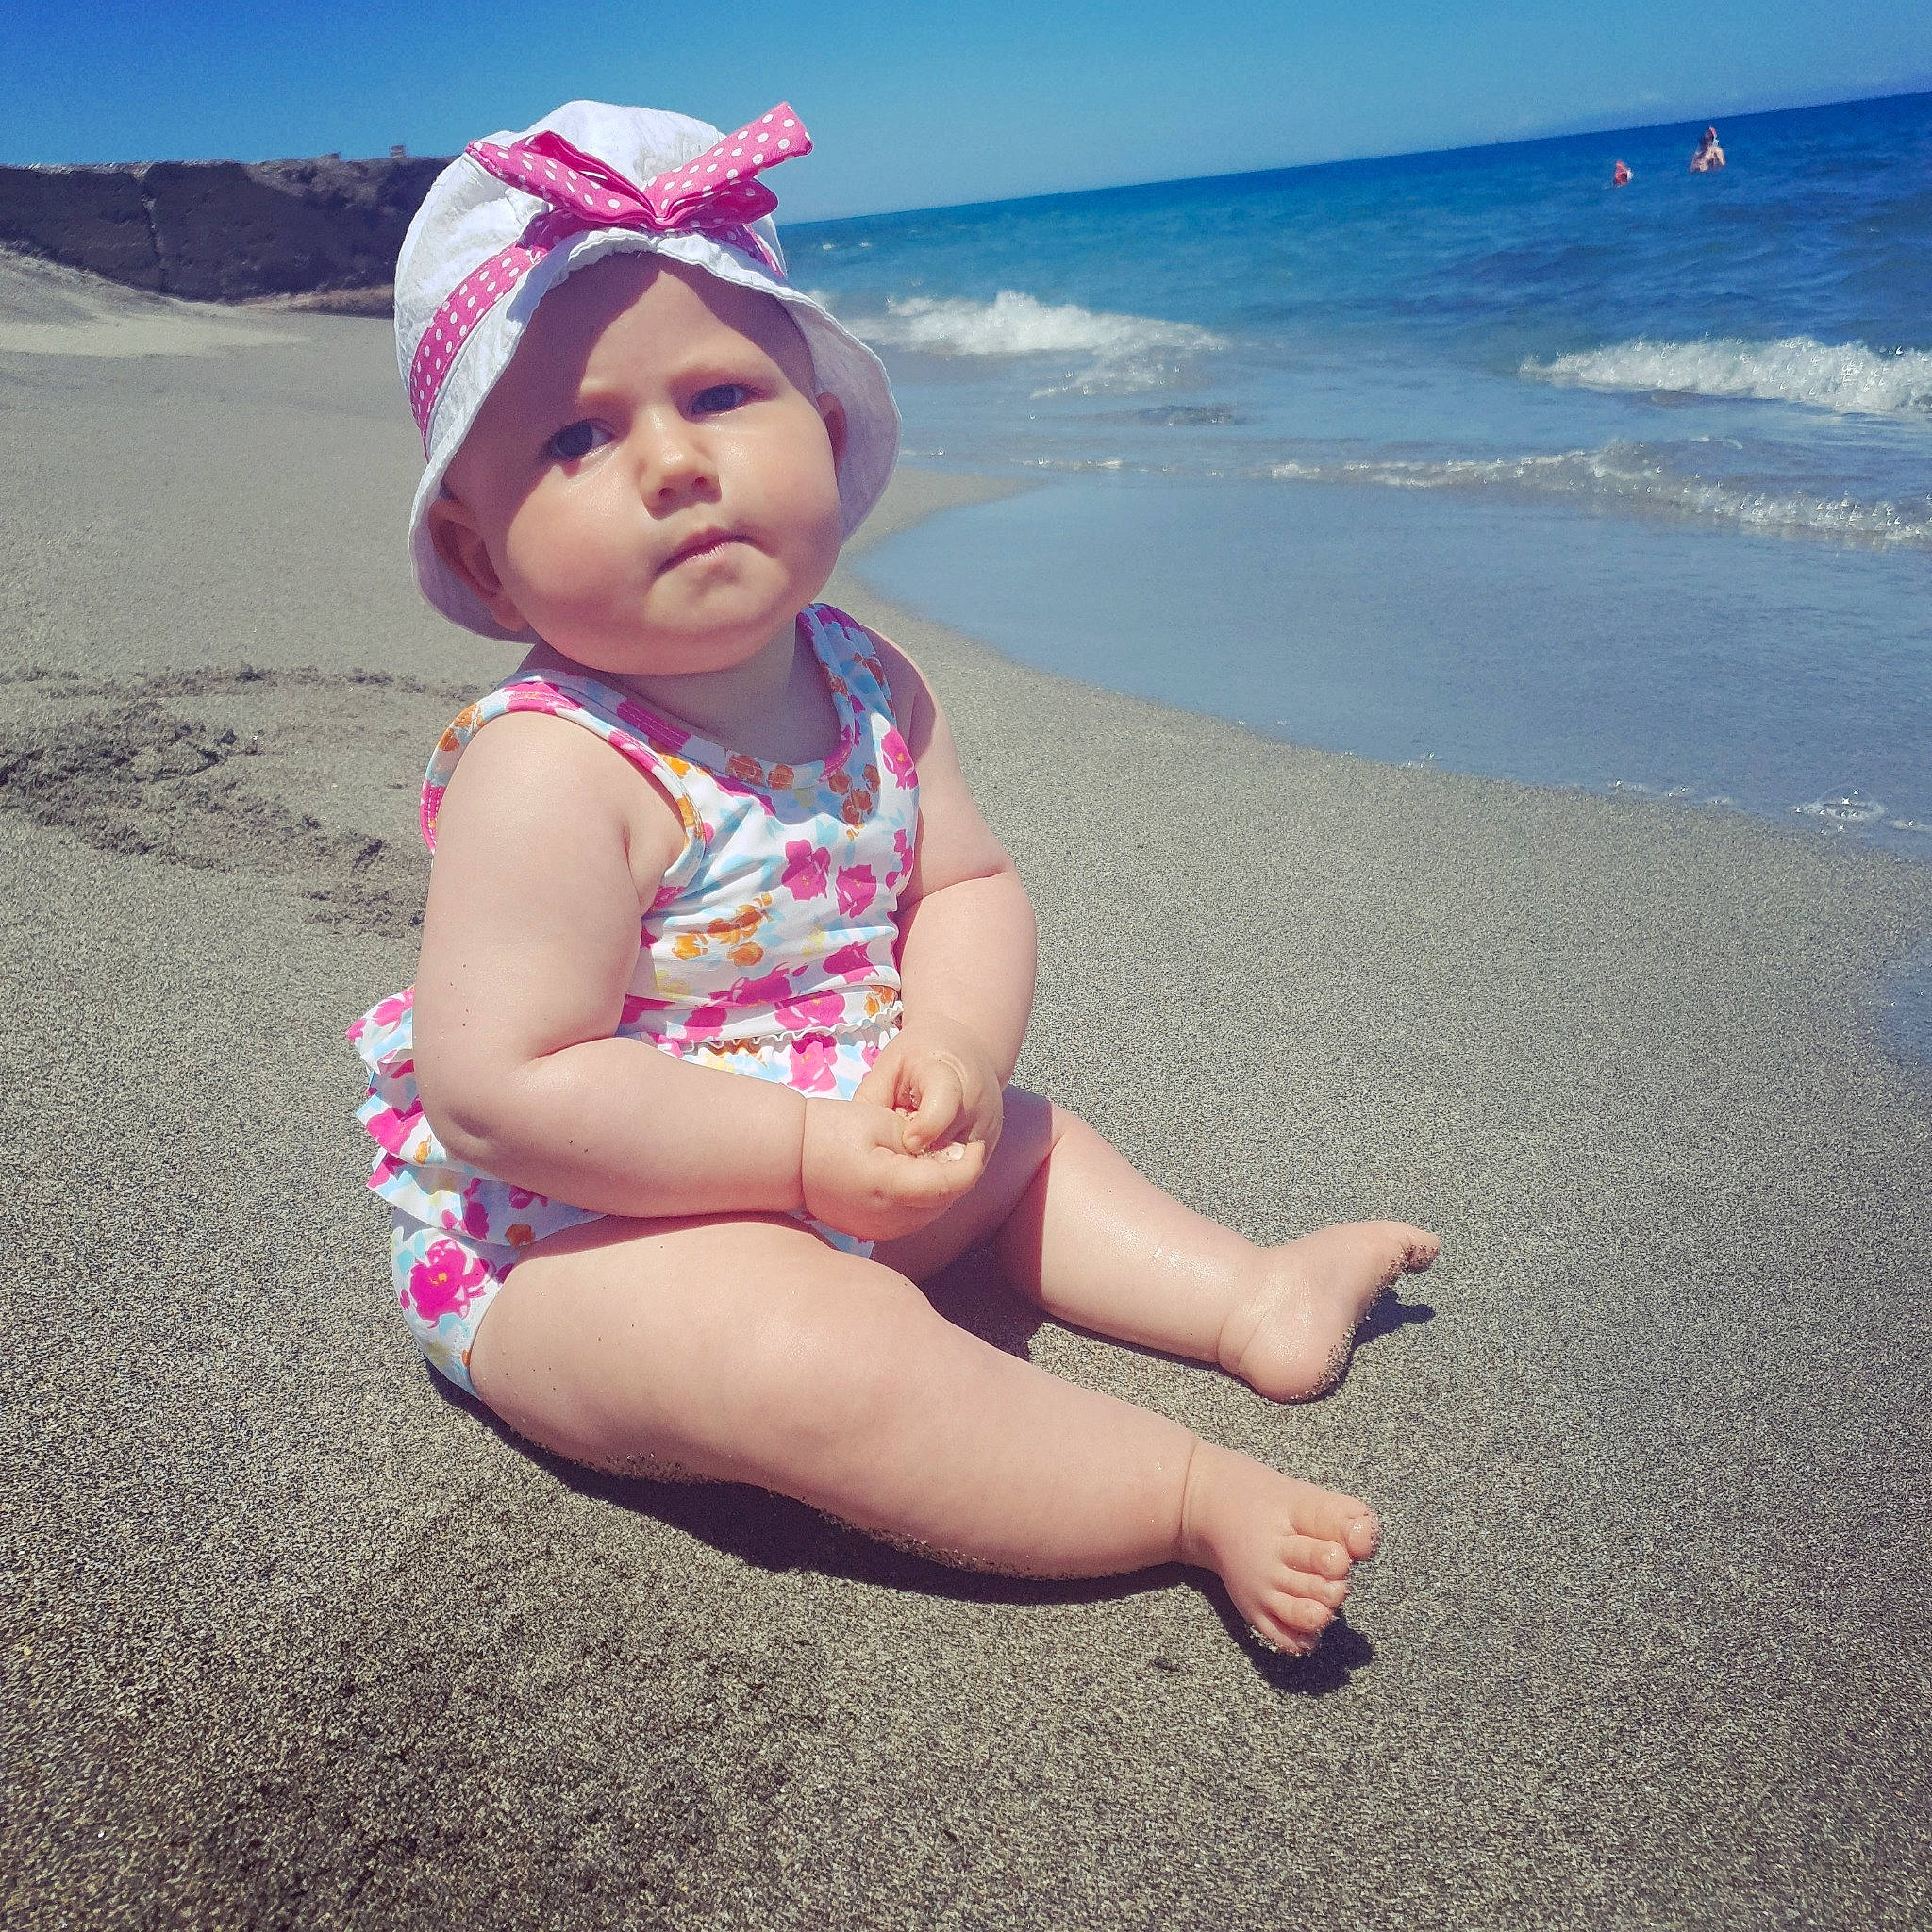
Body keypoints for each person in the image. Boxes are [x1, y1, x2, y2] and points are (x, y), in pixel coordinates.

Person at [350, 100, 1440, 1657]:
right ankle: (1187, 1496)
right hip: (581, 1251)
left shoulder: (867, 679)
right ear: (479, 552)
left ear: (832, 431)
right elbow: (503, 1087)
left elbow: (964, 887)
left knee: (1039, 1143)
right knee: (812, 1348)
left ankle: (1247, 1294)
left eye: (720, 394)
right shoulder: (554, 768)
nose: (670, 463)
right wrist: (796, 1158)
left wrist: (956, 1053)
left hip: (852, 1156)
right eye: (578, 437)